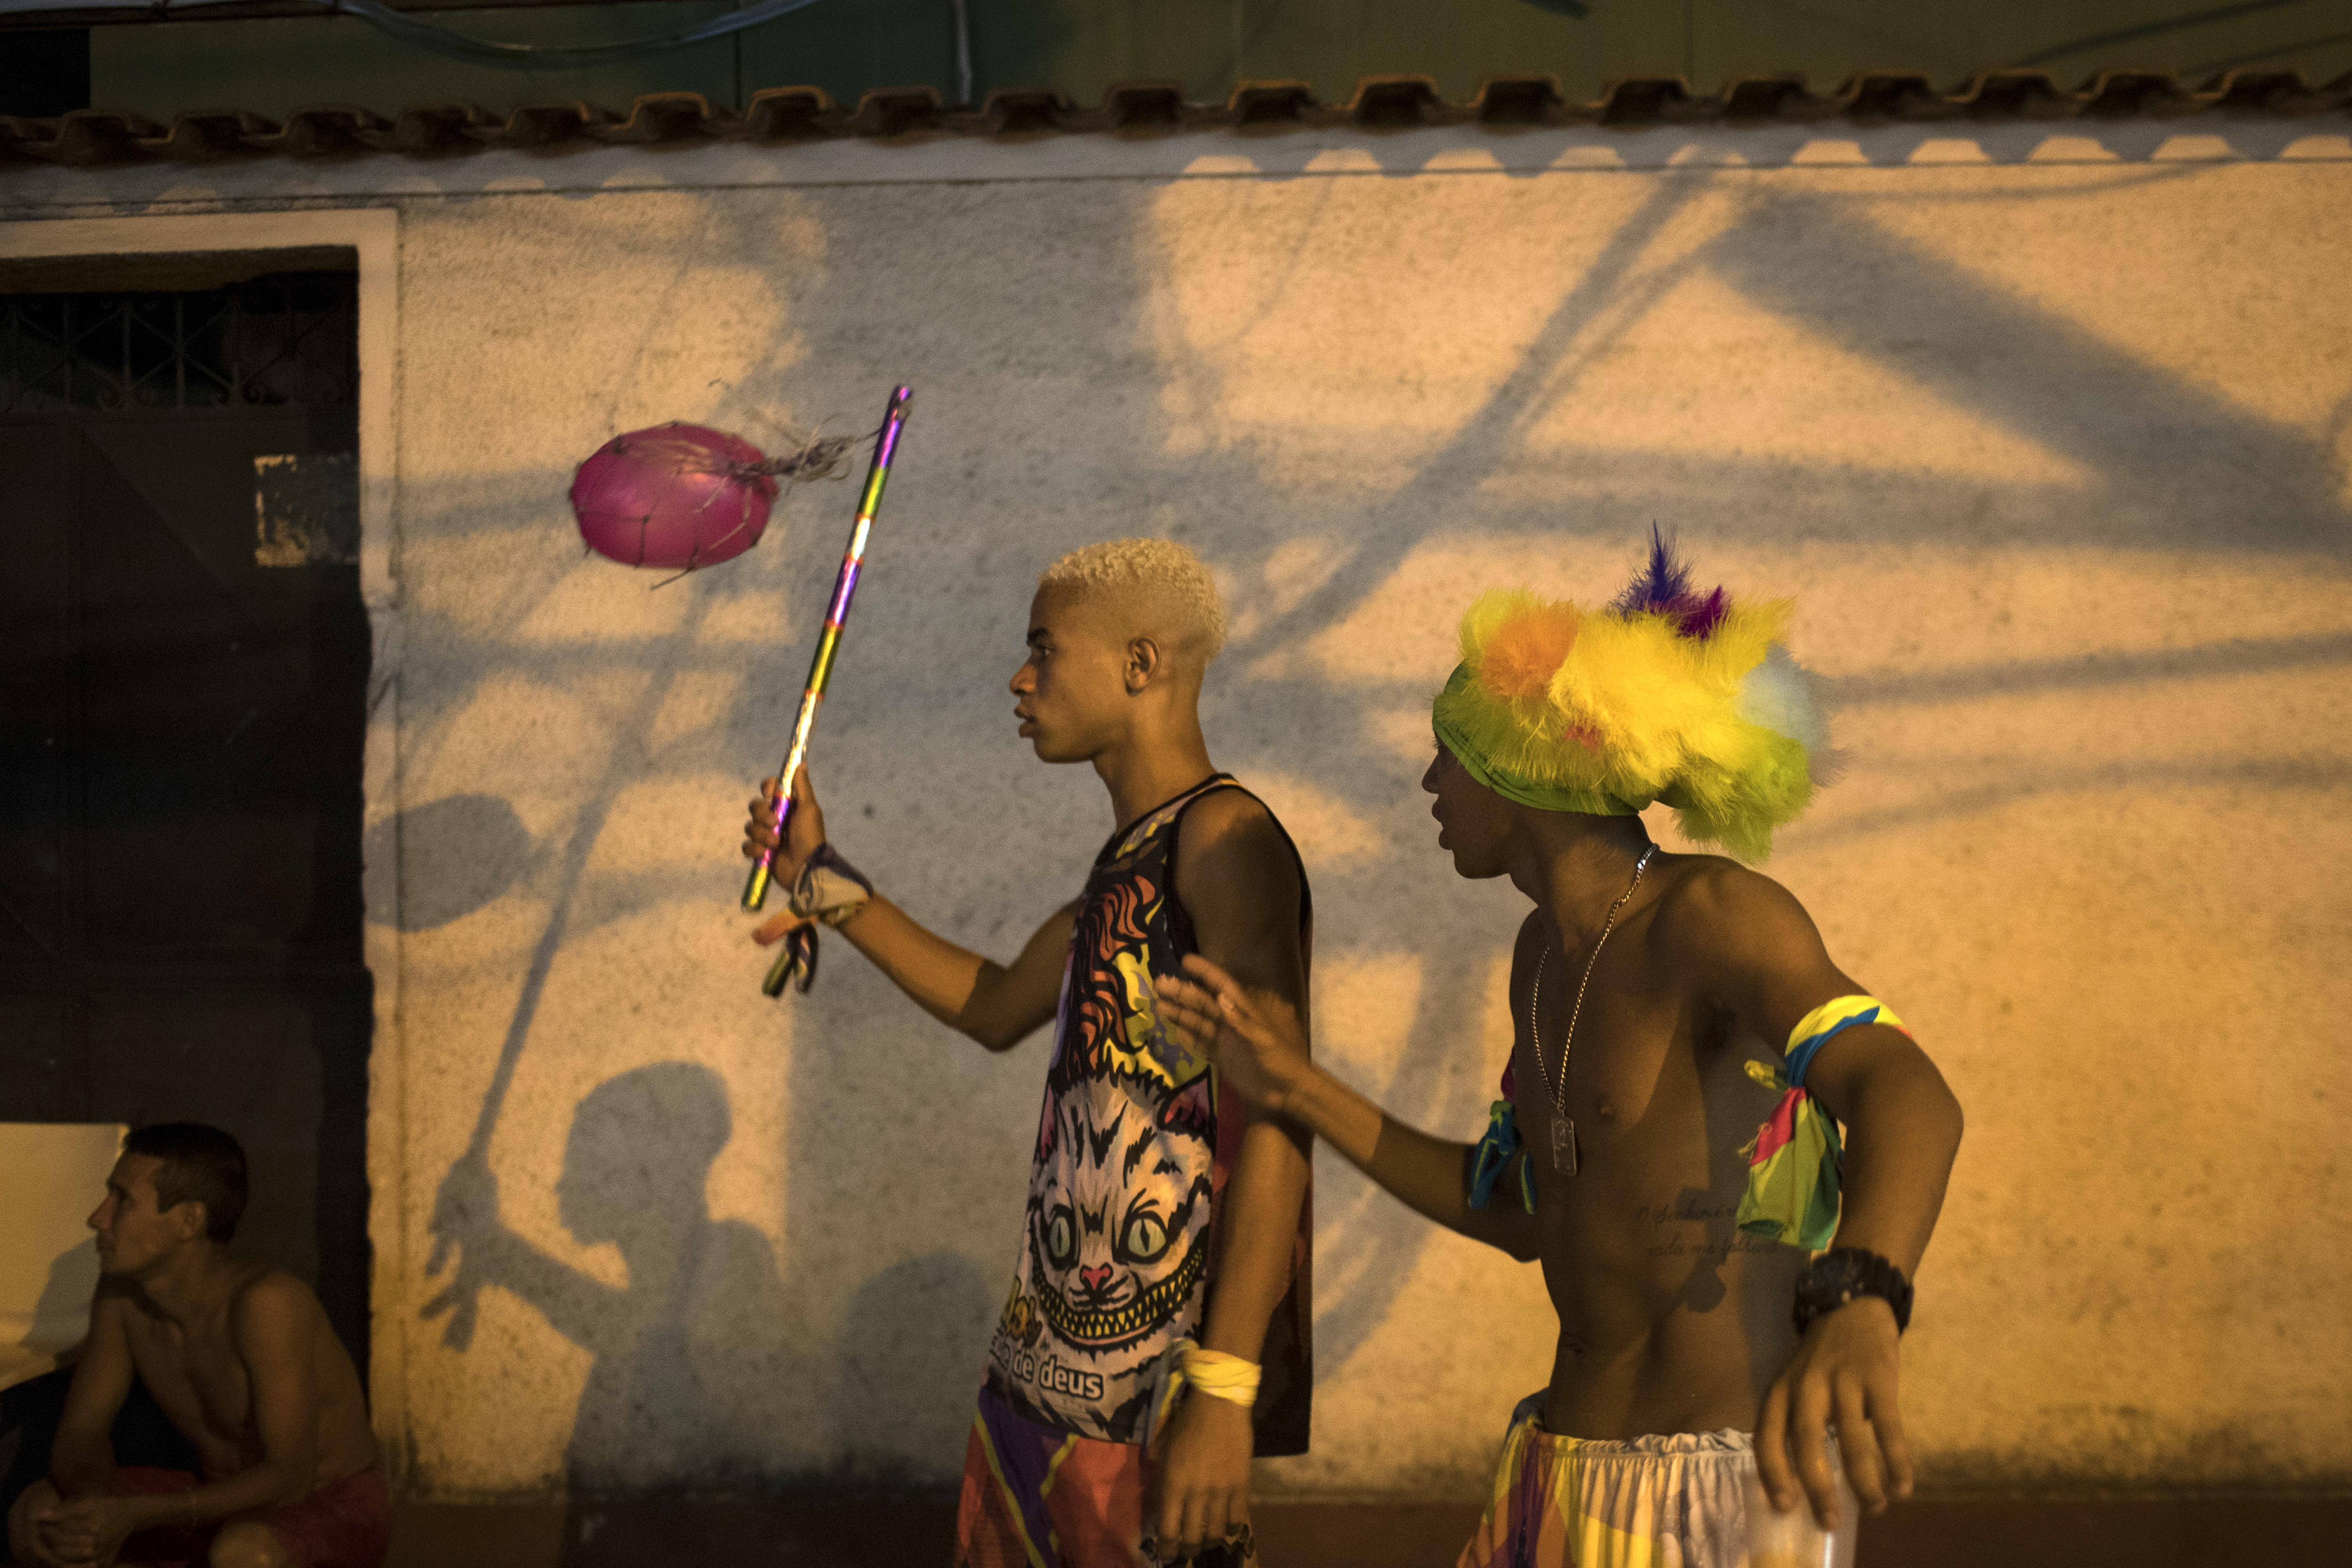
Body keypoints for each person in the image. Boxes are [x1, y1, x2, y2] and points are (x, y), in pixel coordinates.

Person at [1151, 534, 1965, 1568]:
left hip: (1721, 1492)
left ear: (1522, 767)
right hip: (1557, 1469)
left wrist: (1862, 1298)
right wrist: (1295, 1085)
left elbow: (1910, 1091)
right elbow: (1520, 1209)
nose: (1426, 779)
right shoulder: (1542, 955)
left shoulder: (1714, 915)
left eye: (1449, 750)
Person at [741, 538, 1314, 1568]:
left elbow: (1283, 1114)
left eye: (1043, 650)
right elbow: (994, 1001)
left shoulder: (1227, 842)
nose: (1020, 677)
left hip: (1154, 1397)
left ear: (1141, 664)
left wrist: (1225, 1389)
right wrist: (816, 875)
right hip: (1043, 1379)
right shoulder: (1126, 868)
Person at [7, 1124, 387, 1568]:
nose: (98, 1217)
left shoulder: (267, 1303)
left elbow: (290, 1477)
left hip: (323, 1504)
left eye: (122, 1200)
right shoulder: (122, 1295)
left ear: (189, 1220)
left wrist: (135, 1515)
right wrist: (91, 1510)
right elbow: (82, 1431)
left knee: (244, 1555)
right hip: (212, 1501)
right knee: (38, 1515)